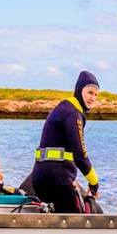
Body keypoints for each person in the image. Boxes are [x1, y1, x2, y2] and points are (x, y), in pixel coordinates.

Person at [31, 70, 100, 213]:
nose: (93, 98)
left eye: (96, 94)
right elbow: (81, 156)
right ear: (79, 90)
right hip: (57, 180)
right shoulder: (73, 113)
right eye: (89, 92)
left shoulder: (64, 108)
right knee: (80, 218)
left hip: (40, 178)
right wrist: (94, 182)